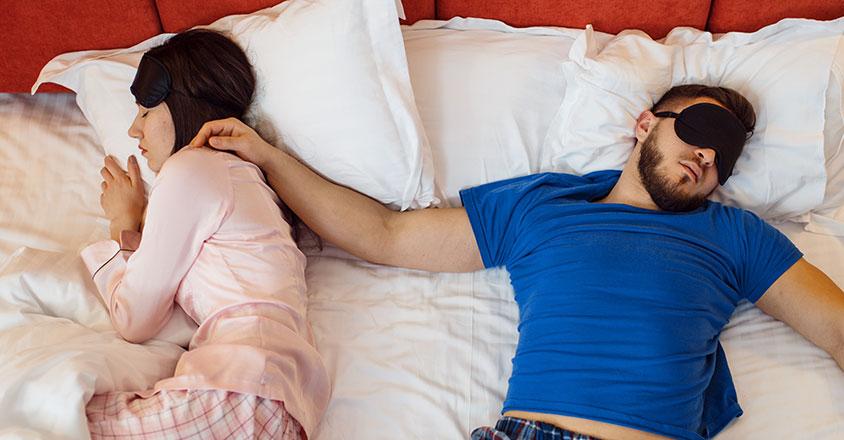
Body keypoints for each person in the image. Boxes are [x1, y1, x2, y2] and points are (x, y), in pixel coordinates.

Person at [190, 83, 844, 440]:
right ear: (646, 122)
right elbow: (384, 236)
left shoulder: (737, 235)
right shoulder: (543, 208)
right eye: (701, 131)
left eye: (724, 156)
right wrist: (269, 158)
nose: (709, 157)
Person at [82, 29, 328, 439]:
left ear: (180, 106)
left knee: (50, 415)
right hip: (270, 399)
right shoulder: (248, 183)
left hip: (239, 392)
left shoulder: (191, 169)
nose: (132, 130)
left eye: (145, 111)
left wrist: (123, 223)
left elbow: (135, 319)